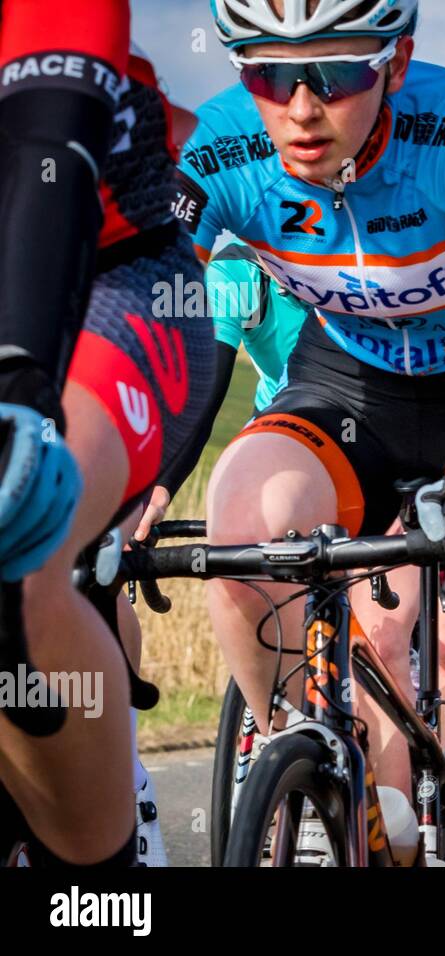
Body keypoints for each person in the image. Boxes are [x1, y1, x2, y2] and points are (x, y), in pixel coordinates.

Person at [184, 0, 445, 865]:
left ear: (396, 62)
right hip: (350, 385)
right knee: (240, 521)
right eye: (267, 73)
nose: (301, 106)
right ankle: (310, 753)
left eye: (334, 74)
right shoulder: (218, 146)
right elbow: (156, 308)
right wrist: (131, 481)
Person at [0, 1, 216, 867]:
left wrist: (18, 381)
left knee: (17, 543)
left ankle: (99, 883)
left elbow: (47, 149)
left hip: (117, 290)